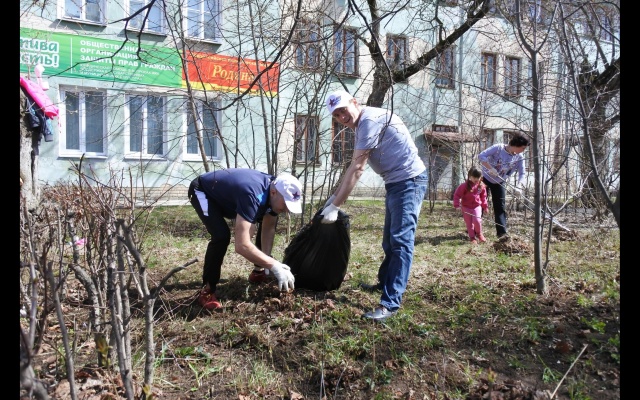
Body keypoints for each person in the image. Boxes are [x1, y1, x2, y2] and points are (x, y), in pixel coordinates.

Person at [321, 90, 428, 322]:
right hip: (397, 182)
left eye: (343, 110)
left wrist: (335, 205)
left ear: (354, 102)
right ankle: (385, 282)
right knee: (390, 241)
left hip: (409, 181)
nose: (341, 117)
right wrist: (334, 198)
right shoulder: (362, 123)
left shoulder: (369, 121)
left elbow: (358, 168)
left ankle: (390, 303)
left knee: (401, 242)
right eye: (336, 115)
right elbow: (354, 165)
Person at [188, 168, 302, 310]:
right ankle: (207, 290)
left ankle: (258, 271)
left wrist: (266, 263)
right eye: (285, 204)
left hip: (231, 197)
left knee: (263, 218)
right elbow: (242, 245)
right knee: (221, 236)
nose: (287, 210)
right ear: (273, 193)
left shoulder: (275, 190)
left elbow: (268, 228)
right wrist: (273, 264)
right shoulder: (252, 194)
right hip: (203, 191)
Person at [478, 133, 530, 238]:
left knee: (500, 208)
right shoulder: (498, 148)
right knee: (479, 205)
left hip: (499, 182)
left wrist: (519, 186)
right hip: (485, 179)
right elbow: (481, 155)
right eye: (523, 148)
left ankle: (502, 234)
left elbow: (522, 173)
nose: (523, 150)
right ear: (517, 144)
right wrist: (490, 168)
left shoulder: (519, 157)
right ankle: (475, 231)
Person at [453, 166, 489, 244]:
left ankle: (479, 234)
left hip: (477, 206)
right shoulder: (464, 186)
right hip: (466, 207)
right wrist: (457, 205)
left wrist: (485, 207)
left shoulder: (481, 186)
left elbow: (483, 197)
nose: (476, 179)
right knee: (469, 223)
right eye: (474, 177)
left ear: (480, 177)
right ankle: (472, 238)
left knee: (477, 220)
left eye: (478, 177)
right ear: (470, 176)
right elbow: (457, 195)